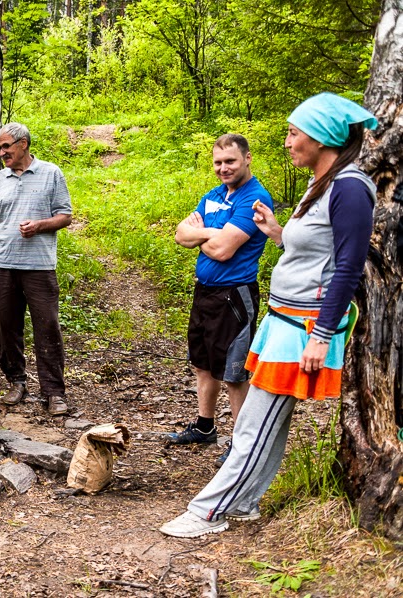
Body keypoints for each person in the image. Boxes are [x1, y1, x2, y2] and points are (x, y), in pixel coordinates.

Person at [160, 93, 378, 538]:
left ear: (323, 137)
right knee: (269, 425)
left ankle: (209, 511)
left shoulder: (350, 187)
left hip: (303, 327)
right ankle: (245, 503)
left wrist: (320, 334)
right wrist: (278, 234)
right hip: (283, 319)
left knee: (256, 421)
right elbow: (316, 251)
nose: (288, 142)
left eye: (294, 133)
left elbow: (349, 267)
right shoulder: (323, 183)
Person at [172, 135, 273, 466]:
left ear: (247, 158)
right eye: (218, 162)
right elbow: (179, 234)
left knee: (232, 371)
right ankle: (204, 427)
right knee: (203, 363)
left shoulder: (255, 199)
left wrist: (203, 234)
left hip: (234, 296)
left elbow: (223, 249)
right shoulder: (213, 196)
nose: (223, 168)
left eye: (230, 161)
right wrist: (213, 234)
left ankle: (242, 444)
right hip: (204, 292)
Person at [0, 123, 73, 415]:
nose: (2, 152)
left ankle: (54, 392)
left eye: (6, 146)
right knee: (6, 329)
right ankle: (16, 381)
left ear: (23, 144)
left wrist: (39, 226)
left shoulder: (51, 173)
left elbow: (65, 216)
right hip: (4, 264)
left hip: (39, 266)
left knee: (47, 327)